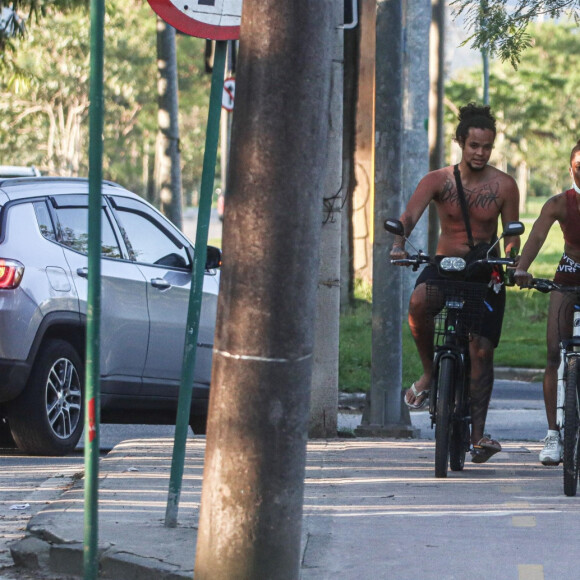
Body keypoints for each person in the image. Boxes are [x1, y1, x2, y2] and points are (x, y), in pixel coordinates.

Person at [390, 103, 521, 463]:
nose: (480, 153)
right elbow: (409, 216)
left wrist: (512, 258)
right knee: (419, 303)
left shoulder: (505, 185)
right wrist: (399, 245)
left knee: (481, 351)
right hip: (444, 266)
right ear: (461, 143)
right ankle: (431, 372)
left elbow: (512, 234)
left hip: (483, 270)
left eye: (486, 147)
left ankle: (478, 437)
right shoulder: (438, 180)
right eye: (473, 146)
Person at [513, 140, 580, 465]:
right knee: (555, 352)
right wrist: (522, 269)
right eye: (579, 167)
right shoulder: (560, 203)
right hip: (568, 278)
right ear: (571, 169)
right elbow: (537, 235)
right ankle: (553, 434)